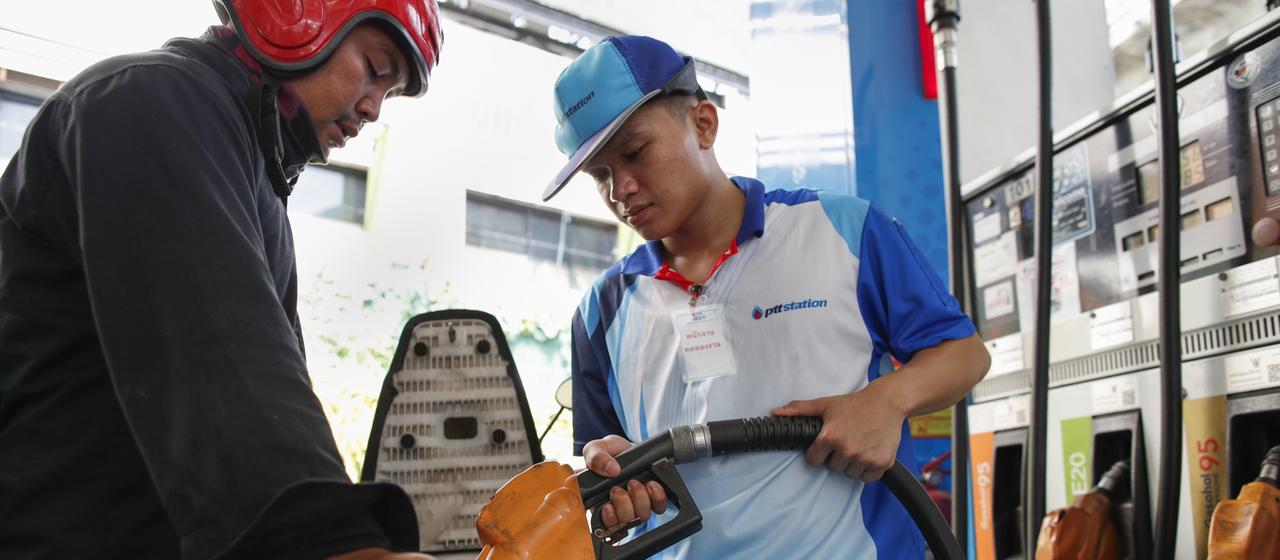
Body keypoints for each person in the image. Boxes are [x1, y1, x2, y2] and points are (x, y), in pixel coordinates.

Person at [0, 1, 443, 558]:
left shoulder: (248, 164)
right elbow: (223, 354)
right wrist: (334, 543)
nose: (375, 109)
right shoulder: (152, 103)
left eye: (392, 92)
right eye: (376, 69)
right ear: (295, 14)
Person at [547, 35, 992, 558]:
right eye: (598, 173)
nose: (619, 187)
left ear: (704, 124)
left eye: (635, 152)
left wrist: (887, 400)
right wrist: (611, 479)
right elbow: (601, 456)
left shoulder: (842, 229)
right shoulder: (602, 310)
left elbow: (964, 353)